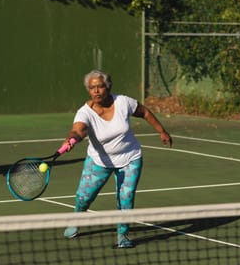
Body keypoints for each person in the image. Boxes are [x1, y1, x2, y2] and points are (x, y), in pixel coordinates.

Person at [60, 69, 172, 248]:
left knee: (126, 197)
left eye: (100, 86)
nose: (96, 91)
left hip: (130, 158)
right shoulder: (84, 112)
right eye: (92, 88)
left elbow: (144, 112)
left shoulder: (123, 102)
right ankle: (76, 219)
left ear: (108, 86)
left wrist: (161, 131)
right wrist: (73, 138)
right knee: (83, 198)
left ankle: (123, 235)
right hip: (99, 161)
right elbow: (78, 129)